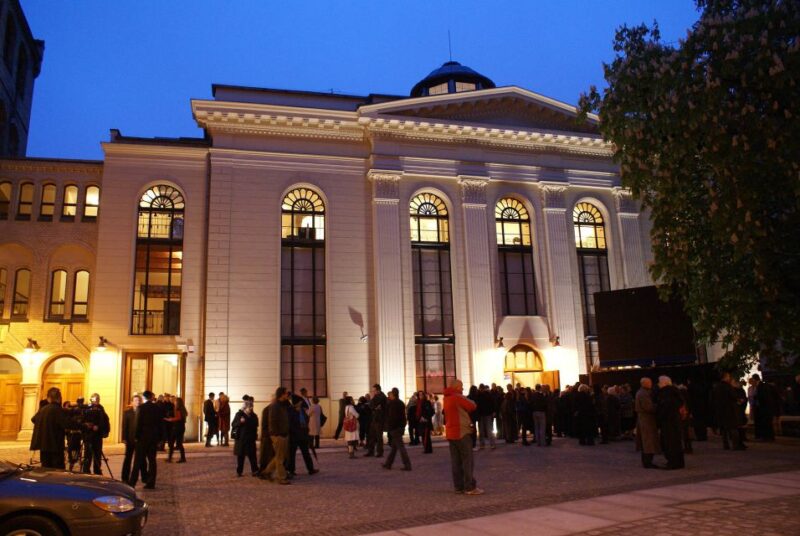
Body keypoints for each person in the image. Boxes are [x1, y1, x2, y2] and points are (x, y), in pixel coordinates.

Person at [444, 378, 483, 495]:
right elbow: (472, 405)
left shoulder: (446, 398)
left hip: (451, 433)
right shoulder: (457, 397)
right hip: (462, 432)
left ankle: (458, 486)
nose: (462, 389)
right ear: (456, 387)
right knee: (467, 460)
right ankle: (469, 487)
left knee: (455, 461)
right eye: (461, 387)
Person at [129, 390, 162, 489]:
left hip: (143, 437)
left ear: (144, 398)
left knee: (138, 460)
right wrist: (160, 438)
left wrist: (136, 436)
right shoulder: (157, 408)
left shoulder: (141, 408)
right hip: (153, 437)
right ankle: (151, 482)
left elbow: (138, 423)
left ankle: (132, 482)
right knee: (152, 461)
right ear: (151, 397)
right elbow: (160, 423)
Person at [30, 387, 67, 469]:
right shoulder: (57, 409)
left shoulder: (43, 409)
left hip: (44, 445)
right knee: (57, 469)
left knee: (45, 468)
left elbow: (33, 419)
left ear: (49, 398)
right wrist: (84, 426)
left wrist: (44, 424)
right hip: (55, 445)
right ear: (59, 398)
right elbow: (67, 424)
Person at [261, 387, 291, 485]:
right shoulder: (275, 406)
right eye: (286, 393)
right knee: (280, 458)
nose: (288, 395)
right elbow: (272, 421)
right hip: (279, 435)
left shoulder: (283, 405)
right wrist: (277, 434)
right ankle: (281, 477)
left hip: (283, 434)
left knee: (279, 456)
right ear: (282, 394)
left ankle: (266, 472)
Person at [287, 395, 318, 478]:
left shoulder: (302, 410)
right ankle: (291, 470)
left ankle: (310, 469)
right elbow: (290, 424)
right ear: (295, 403)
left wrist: (306, 430)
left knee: (306, 453)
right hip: (294, 435)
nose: (301, 403)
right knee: (292, 454)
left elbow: (306, 419)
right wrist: (296, 431)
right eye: (299, 402)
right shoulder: (290, 411)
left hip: (303, 434)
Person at [712, 372, 744, 450]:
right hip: (730, 410)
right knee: (733, 428)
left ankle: (725, 445)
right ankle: (735, 445)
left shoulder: (716, 387)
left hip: (720, 410)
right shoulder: (728, 386)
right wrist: (739, 400)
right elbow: (733, 396)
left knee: (724, 429)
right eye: (728, 376)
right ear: (725, 377)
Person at [81, 393, 110, 475]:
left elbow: (105, 421)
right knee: (87, 456)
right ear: (91, 399)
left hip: (97, 436)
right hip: (88, 436)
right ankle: (86, 472)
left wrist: (99, 427)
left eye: (97, 399)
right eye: (94, 399)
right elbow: (83, 420)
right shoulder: (87, 408)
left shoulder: (101, 409)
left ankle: (97, 472)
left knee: (97, 455)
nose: (96, 401)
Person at [383, 388, 411, 471]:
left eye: (391, 394)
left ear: (393, 394)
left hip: (395, 428)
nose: (389, 395)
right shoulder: (401, 403)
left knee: (401, 447)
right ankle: (388, 463)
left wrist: (390, 427)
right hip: (400, 427)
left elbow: (392, 417)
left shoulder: (393, 404)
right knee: (394, 448)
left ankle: (407, 465)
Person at [635, 377, 660, 469]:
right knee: (648, 441)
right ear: (644, 384)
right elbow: (648, 407)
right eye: (649, 383)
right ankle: (648, 462)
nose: (651, 384)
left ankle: (647, 461)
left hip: (644, 419)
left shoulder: (642, 392)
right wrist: (659, 406)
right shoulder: (643, 394)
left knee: (647, 441)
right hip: (646, 420)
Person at [232, 398, 259, 476]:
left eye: (252, 407)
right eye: (249, 407)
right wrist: (240, 422)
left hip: (250, 439)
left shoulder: (253, 416)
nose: (251, 408)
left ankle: (255, 470)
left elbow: (256, 426)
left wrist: (255, 436)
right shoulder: (239, 415)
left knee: (252, 456)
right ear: (245, 407)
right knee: (241, 456)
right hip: (241, 439)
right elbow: (233, 424)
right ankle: (239, 471)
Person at [121, 394, 141, 481]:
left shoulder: (142, 412)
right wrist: (124, 438)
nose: (137, 402)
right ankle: (125, 476)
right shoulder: (127, 413)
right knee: (128, 458)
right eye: (136, 400)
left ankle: (141, 477)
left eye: (139, 400)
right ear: (132, 402)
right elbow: (124, 426)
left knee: (140, 460)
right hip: (130, 439)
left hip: (139, 440)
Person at [364, 384, 387, 457]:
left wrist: (373, 404)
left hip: (379, 419)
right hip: (374, 418)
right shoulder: (376, 396)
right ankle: (371, 451)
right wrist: (374, 406)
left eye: (374, 391)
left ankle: (380, 452)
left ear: (378, 390)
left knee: (378, 436)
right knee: (371, 435)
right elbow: (371, 405)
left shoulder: (382, 397)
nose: (373, 392)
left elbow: (373, 404)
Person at [164, 396, 187, 463]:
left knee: (172, 443)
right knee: (179, 443)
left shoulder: (178, 409)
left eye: (175, 401)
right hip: (181, 427)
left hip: (176, 428)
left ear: (178, 402)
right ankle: (182, 458)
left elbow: (178, 418)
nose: (174, 402)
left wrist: (170, 419)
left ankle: (170, 458)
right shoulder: (183, 409)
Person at [258, 395, 275, 476]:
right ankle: (264, 472)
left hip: (270, 436)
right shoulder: (267, 409)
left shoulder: (271, 409)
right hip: (267, 436)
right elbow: (265, 425)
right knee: (266, 455)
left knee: (270, 455)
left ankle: (266, 471)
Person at [476, 385, 496, 450]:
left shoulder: (482, 395)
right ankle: (488, 444)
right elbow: (492, 403)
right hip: (484, 414)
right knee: (485, 430)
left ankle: (487, 444)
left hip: (486, 414)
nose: (481, 390)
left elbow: (492, 403)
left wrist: (493, 411)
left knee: (487, 430)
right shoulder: (482, 395)